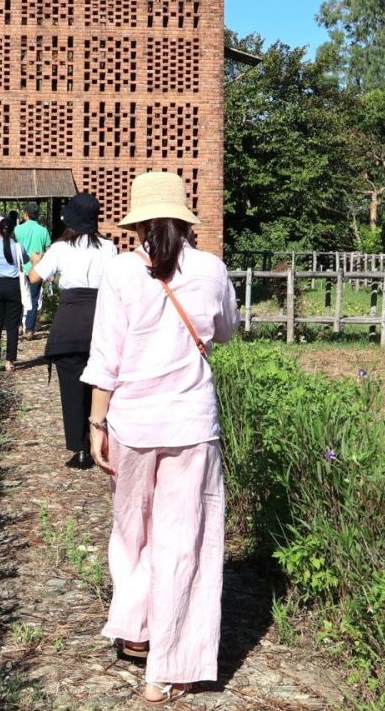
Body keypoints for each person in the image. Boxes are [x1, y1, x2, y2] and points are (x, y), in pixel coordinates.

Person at [82, 171, 239, 704]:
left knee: (132, 533)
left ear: (139, 220)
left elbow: (106, 355)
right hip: (191, 424)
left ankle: (135, 629)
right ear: (186, 215)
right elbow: (225, 330)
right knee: (185, 539)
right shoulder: (213, 270)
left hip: (132, 421)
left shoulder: (122, 270)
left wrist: (96, 424)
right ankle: (172, 666)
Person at [29, 193, 117, 469]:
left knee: (71, 388)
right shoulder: (109, 248)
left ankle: (79, 450)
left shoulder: (60, 248)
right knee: (99, 385)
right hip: (101, 321)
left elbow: (35, 277)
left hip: (68, 322)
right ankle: (99, 444)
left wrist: (36, 261)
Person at [0, 214, 26, 371]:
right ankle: (10, 361)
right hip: (13, 286)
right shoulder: (18, 246)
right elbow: (26, 261)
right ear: (13, 231)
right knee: (12, 325)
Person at [15, 202, 52, 335]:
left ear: (25, 214)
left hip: (20, 269)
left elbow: (14, 248)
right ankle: (29, 330)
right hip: (37, 269)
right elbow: (48, 251)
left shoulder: (17, 229)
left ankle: (18, 325)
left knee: (18, 297)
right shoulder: (43, 231)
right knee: (34, 298)